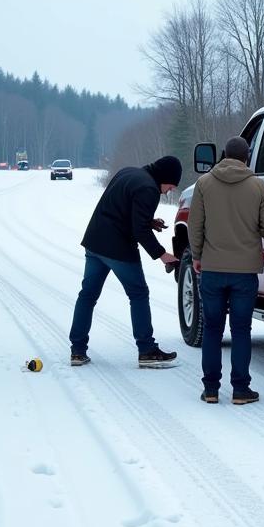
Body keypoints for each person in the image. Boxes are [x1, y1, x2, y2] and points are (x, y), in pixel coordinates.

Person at [69, 155, 182, 368]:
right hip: (118, 248)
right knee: (138, 294)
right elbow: (138, 229)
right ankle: (147, 350)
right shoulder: (149, 188)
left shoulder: (129, 172)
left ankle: (77, 350)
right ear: (165, 177)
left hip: (95, 242)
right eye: (171, 186)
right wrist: (162, 254)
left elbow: (121, 207)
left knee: (87, 296)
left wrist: (149, 221)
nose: (169, 191)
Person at [188, 136, 264, 404]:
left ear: (223, 154)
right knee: (241, 329)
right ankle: (240, 389)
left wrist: (196, 255)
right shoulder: (259, 187)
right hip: (244, 273)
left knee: (213, 329)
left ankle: (211, 389)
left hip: (212, 270)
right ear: (247, 157)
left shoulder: (203, 185)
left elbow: (195, 226)